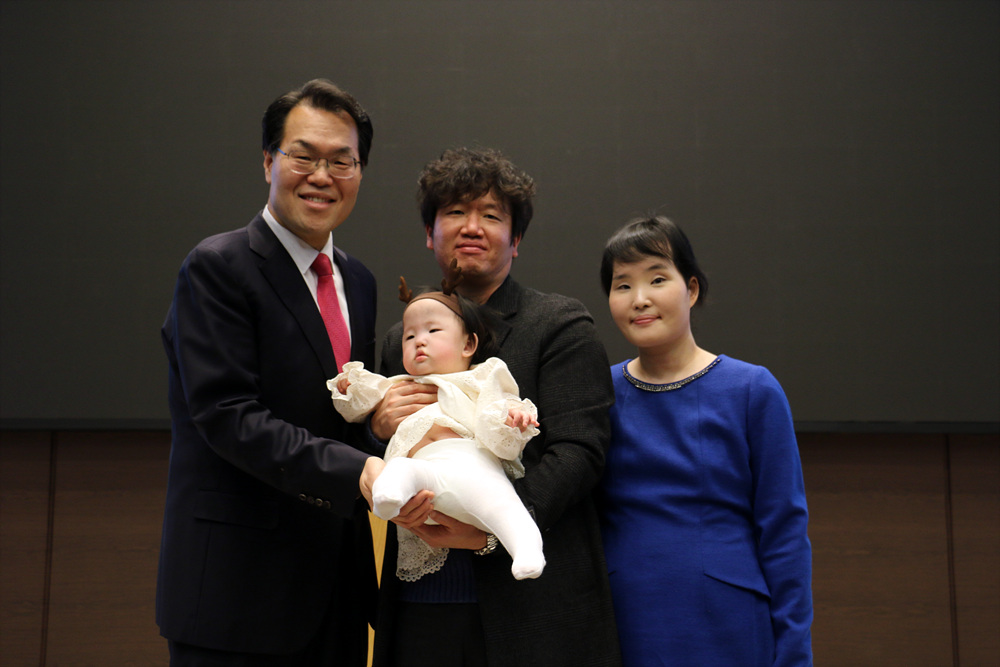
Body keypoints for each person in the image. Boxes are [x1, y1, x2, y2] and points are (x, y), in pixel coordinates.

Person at [157, 79, 385, 666]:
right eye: (303, 156)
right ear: (268, 161)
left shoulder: (359, 282)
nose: (322, 176)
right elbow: (227, 416)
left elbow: (344, 414)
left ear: (359, 172)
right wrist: (360, 470)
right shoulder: (217, 267)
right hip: (237, 592)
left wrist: (390, 428)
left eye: (341, 161)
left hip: (334, 589)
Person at [367, 147, 621, 666]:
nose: (471, 226)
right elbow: (370, 446)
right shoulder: (402, 340)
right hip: (421, 607)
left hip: (534, 606)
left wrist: (491, 529)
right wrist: (378, 427)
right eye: (455, 212)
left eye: (491, 215)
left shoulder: (559, 324)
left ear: (516, 239)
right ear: (430, 233)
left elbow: (580, 452)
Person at [597, 215, 813, 666]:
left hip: (729, 622)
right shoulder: (598, 393)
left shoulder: (752, 389)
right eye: (623, 285)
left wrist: (794, 655)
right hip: (624, 619)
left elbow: (784, 533)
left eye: (657, 279)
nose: (640, 299)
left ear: (691, 289)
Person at [330, 279, 545, 582]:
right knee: (402, 470)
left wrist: (513, 417)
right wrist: (348, 386)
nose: (419, 341)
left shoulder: (479, 379)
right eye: (409, 336)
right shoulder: (397, 386)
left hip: (472, 466)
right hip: (423, 480)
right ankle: (390, 495)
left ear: (468, 345)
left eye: (433, 331)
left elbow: (498, 408)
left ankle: (526, 550)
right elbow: (357, 404)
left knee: (503, 504)